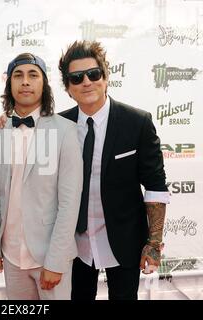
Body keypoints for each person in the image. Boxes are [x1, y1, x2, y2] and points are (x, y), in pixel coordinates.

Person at [58, 40, 169, 300]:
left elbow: (155, 186)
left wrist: (153, 245)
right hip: (74, 246)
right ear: (68, 88)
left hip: (124, 240)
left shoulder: (137, 123)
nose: (86, 81)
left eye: (93, 74)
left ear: (106, 78)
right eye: (76, 78)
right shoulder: (58, 125)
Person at [0, 53, 83, 299]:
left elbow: (69, 203)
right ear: (9, 84)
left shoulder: (66, 131)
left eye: (33, 75)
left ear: (44, 84)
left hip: (48, 257)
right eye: (18, 76)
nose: (25, 82)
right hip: (11, 255)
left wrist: (56, 260)